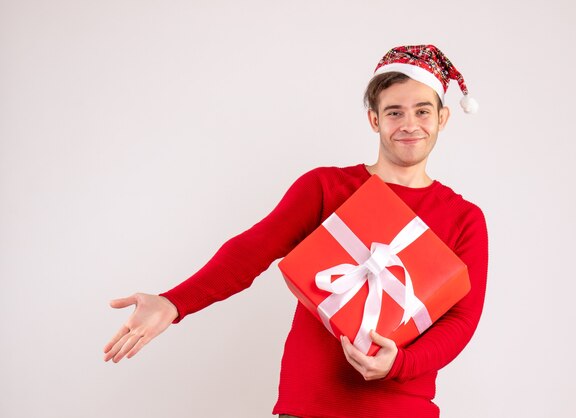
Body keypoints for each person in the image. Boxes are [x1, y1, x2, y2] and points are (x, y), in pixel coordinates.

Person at [104, 44, 488, 418]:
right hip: (310, 405)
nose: (409, 124)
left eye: (422, 111)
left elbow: (461, 320)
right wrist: (174, 303)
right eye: (394, 112)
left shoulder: (463, 218)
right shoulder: (326, 188)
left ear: (442, 118)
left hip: (402, 409)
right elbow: (252, 250)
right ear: (374, 120)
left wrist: (401, 363)